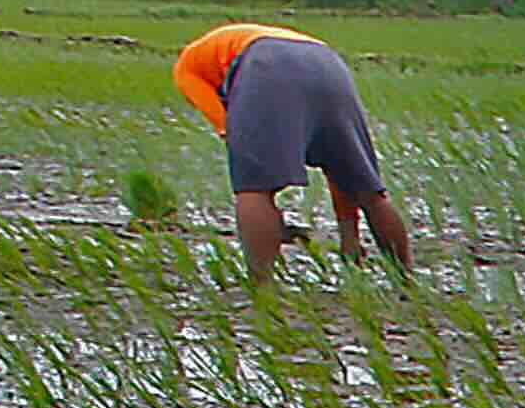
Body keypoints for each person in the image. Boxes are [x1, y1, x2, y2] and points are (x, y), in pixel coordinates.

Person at [170, 23, 411, 282]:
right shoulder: (234, 43)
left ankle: (262, 290)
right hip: (327, 63)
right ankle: (406, 279)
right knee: (367, 188)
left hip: (266, 63)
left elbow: (230, 132)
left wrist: (267, 212)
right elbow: (340, 172)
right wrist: (348, 236)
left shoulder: (187, 69)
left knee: (254, 187)